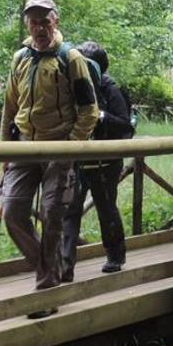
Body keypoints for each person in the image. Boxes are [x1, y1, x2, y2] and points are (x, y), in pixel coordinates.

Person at [0, 0, 99, 317]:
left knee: (51, 214)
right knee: (12, 211)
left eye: (45, 21)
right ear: (27, 24)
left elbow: (89, 111)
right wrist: (4, 148)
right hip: (24, 145)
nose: (39, 27)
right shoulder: (20, 58)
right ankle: (50, 269)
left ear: (55, 21)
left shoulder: (71, 59)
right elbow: (10, 107)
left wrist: (70, 145)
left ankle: (45, 291)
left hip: (59, 145)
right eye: (33, 21)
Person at [60, 41, 135, 277]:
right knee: (69, 211)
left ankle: (115, 256)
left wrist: (100, 116)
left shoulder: (110, 89)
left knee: (106, 209)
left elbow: (125, 125)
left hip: (106, 162)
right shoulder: (73, 86)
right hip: (77, 160)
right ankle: (65, 265)